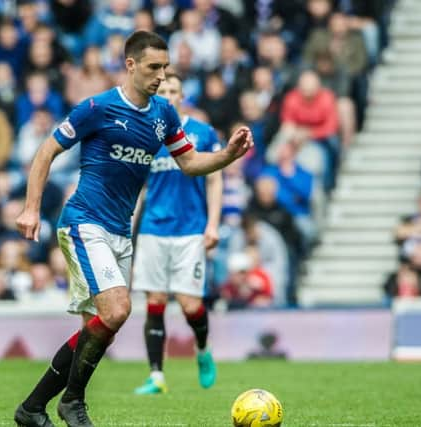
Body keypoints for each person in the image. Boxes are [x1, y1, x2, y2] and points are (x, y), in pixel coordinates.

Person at [13, 30, 252, 427]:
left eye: (165, 68)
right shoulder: (98, 107)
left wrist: (227, 154)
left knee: (101, 325)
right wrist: (30, 208)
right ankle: (72, 402)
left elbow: (190, 164)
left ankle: (32, 408)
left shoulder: (163, 115)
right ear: (130, 65)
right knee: (118, 309)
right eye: (153, 67)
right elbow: (46, 150)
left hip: (120, 233)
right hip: (84, 223)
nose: (161, 75)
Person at [132, 72, 222, 395]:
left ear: (182, 97)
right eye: (163, 90)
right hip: (154, 229)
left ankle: (202, 349)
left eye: (174, 90)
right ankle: (156, 376)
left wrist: (213, 224)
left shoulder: (201, 133)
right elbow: (139, 187)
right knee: (154, 300)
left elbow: (214, 179)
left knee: (189, 304)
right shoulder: (146, 135)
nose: (168, 95)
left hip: (189, 230)